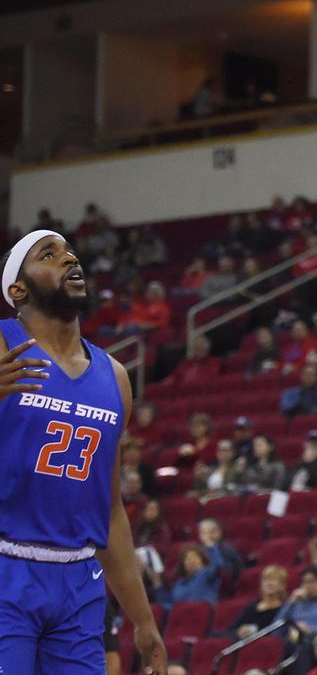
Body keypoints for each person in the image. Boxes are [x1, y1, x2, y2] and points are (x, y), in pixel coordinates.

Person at [0, 231, 165, 674]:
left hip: (78, 582)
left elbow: (110, 511)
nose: (69, 258)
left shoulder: (114, 377)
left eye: (70, 251)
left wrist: (143, 621)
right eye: (48, 254)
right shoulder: (2, 346)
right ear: (18, 289)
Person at [233, 565, 289, 638]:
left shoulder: (284, 609)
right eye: (266, 579)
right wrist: (239, 631)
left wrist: (253, 631)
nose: (269, 583)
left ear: (282, 585)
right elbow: (234, 627)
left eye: (274, 580)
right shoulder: (252, 606)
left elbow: (276, 633)